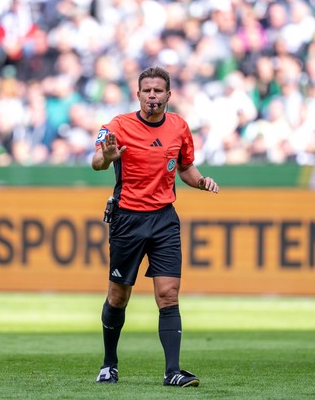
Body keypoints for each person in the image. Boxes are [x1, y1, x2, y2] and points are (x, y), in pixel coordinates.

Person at [91, 66, 219, 387]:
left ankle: (172, 371)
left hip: (164, 218)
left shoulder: (179, 127)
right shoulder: (118, 125)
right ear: (138, 94)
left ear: (168, 95)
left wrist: (201, 181)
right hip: (127, 219)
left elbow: (186, 168)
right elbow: (96, 161)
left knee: (168, 294)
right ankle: (109, 363)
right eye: (146, 90)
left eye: (158, 90)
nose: (152, 95)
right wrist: (106, 157)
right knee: (118, 296)